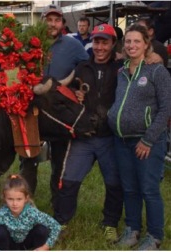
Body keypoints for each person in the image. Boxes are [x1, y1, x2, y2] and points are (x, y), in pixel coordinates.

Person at [53, 24, 123, 242]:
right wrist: (75, 93)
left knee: (114, 183)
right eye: (97, 42)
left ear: (113, 44)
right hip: (84, 137)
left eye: (105, 42)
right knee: (69, 181)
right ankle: (61, 222)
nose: (100, 47)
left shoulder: (122, 66)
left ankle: (110, 223)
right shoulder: (82, 67)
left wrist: (154, 57)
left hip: (110, 138)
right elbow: (65, 92)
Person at [108, 24, 171, 250]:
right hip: (122, 140)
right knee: (130, 188)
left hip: (147, 141)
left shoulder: (157, 71)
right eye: (128, 41)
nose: (132, 45)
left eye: (137, 41)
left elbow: (166, 109)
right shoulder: (122, 71)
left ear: (146, 44)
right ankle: (132, 229)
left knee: (149, 189)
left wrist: (148, 140)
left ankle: (154, 236)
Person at [20, 4, 89, 204]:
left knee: (60, 160)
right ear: (42, 21)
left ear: (62, 23)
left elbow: (86, 66)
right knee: (28, 157)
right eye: (48, 19)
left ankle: (57, 202)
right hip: (32, 111)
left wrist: (80, 86)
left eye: (56, 20)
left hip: (59, 112)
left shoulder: (73, 45)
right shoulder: (28, 43)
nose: (52, 24)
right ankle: (24, 201)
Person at [0, 174, 61, 250]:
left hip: (28, 242)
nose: (14, 204)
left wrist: (46, 246)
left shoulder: (32, 213)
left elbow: (55, 226)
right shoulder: (0, 214)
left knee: (42, 230)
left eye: (19, 199)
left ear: (26, 198)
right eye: (10, 199)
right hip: (9, 244)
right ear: (5, 198)